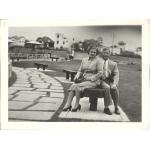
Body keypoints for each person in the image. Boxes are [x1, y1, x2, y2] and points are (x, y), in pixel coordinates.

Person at [63, 47, 104, 112]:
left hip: (94, 81)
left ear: (96, 53)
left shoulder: (99, 61)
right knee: (74, 85)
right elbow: (80, 70)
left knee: (77, 86)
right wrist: (77, 76)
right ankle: (68, 104)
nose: (93, 53)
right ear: (88, 52)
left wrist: (91, 78)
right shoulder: (84, 60)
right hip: (84, 79)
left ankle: (76, 105)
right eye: (91, 51)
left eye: (94, 52)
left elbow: (100, 73)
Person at [99, 48, 120, 115]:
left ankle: (116, 107)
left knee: (115, 89)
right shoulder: (98, 61)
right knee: (107, 87)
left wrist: (114, 84)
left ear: (109, 54)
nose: (105, 54)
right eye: (104, 52)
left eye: (107, 53)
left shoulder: (113, 64)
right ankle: (106, 108)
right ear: (102, 53)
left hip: (109, 80)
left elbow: (116, 74)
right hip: (100, 80)